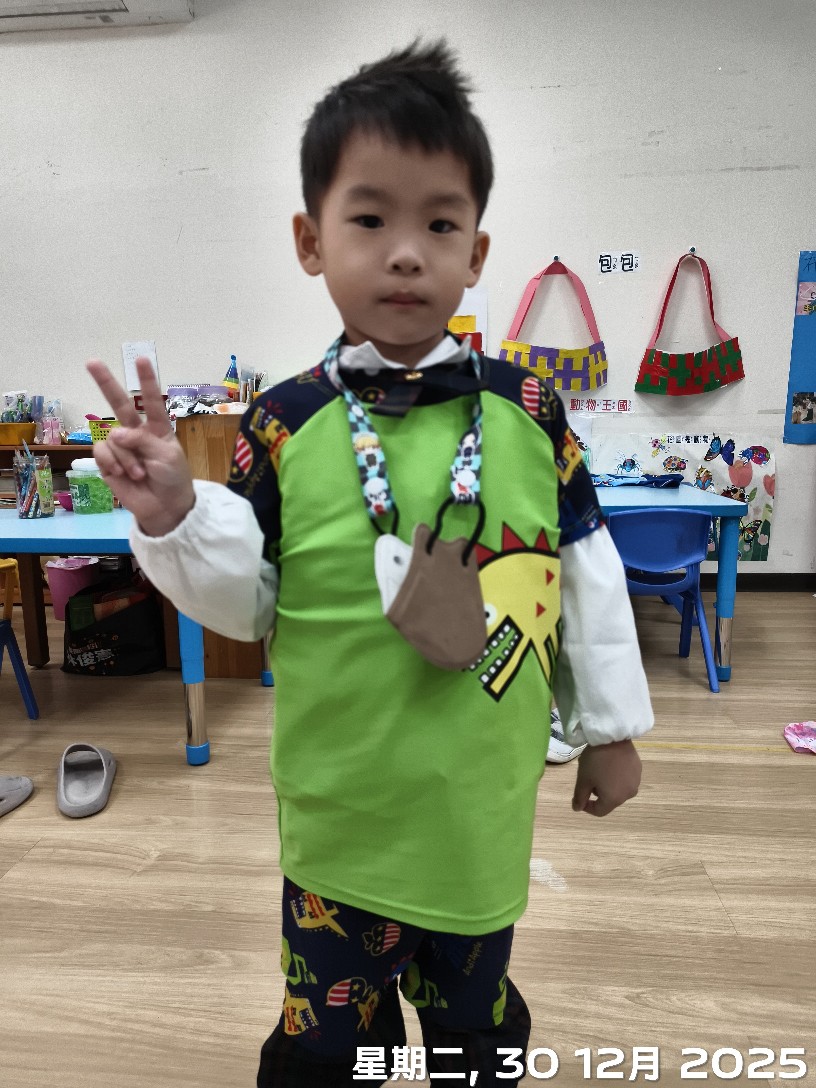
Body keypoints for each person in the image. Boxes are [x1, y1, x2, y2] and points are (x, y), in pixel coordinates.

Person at [88, 40, 653, 1088]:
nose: (405, 254)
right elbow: (249, 603)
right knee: (329, 1047)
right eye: (369, 219)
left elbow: (585, 570)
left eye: (439, 224)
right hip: (339, 816)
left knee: (473, 1035)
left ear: (477, 251)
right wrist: (175, 517)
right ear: (311, 241)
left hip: (479, 807)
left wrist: (611, 729)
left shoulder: (529, 410)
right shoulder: (285, 420)